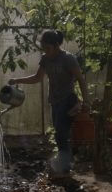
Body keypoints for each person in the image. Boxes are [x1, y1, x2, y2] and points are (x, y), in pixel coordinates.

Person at [8, 30, 90, 176]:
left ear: (56, 45)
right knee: (60, 134)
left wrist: (86, 102)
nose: (46, 51)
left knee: (61, 134)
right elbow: (37, 78)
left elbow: (81, 80)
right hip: (54, 101)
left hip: (67, 101)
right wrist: (17, 80)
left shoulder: (68, 59)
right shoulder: (46, 59)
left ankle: (65, 168)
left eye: (48, 48)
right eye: (44, 48)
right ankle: (65, 165)